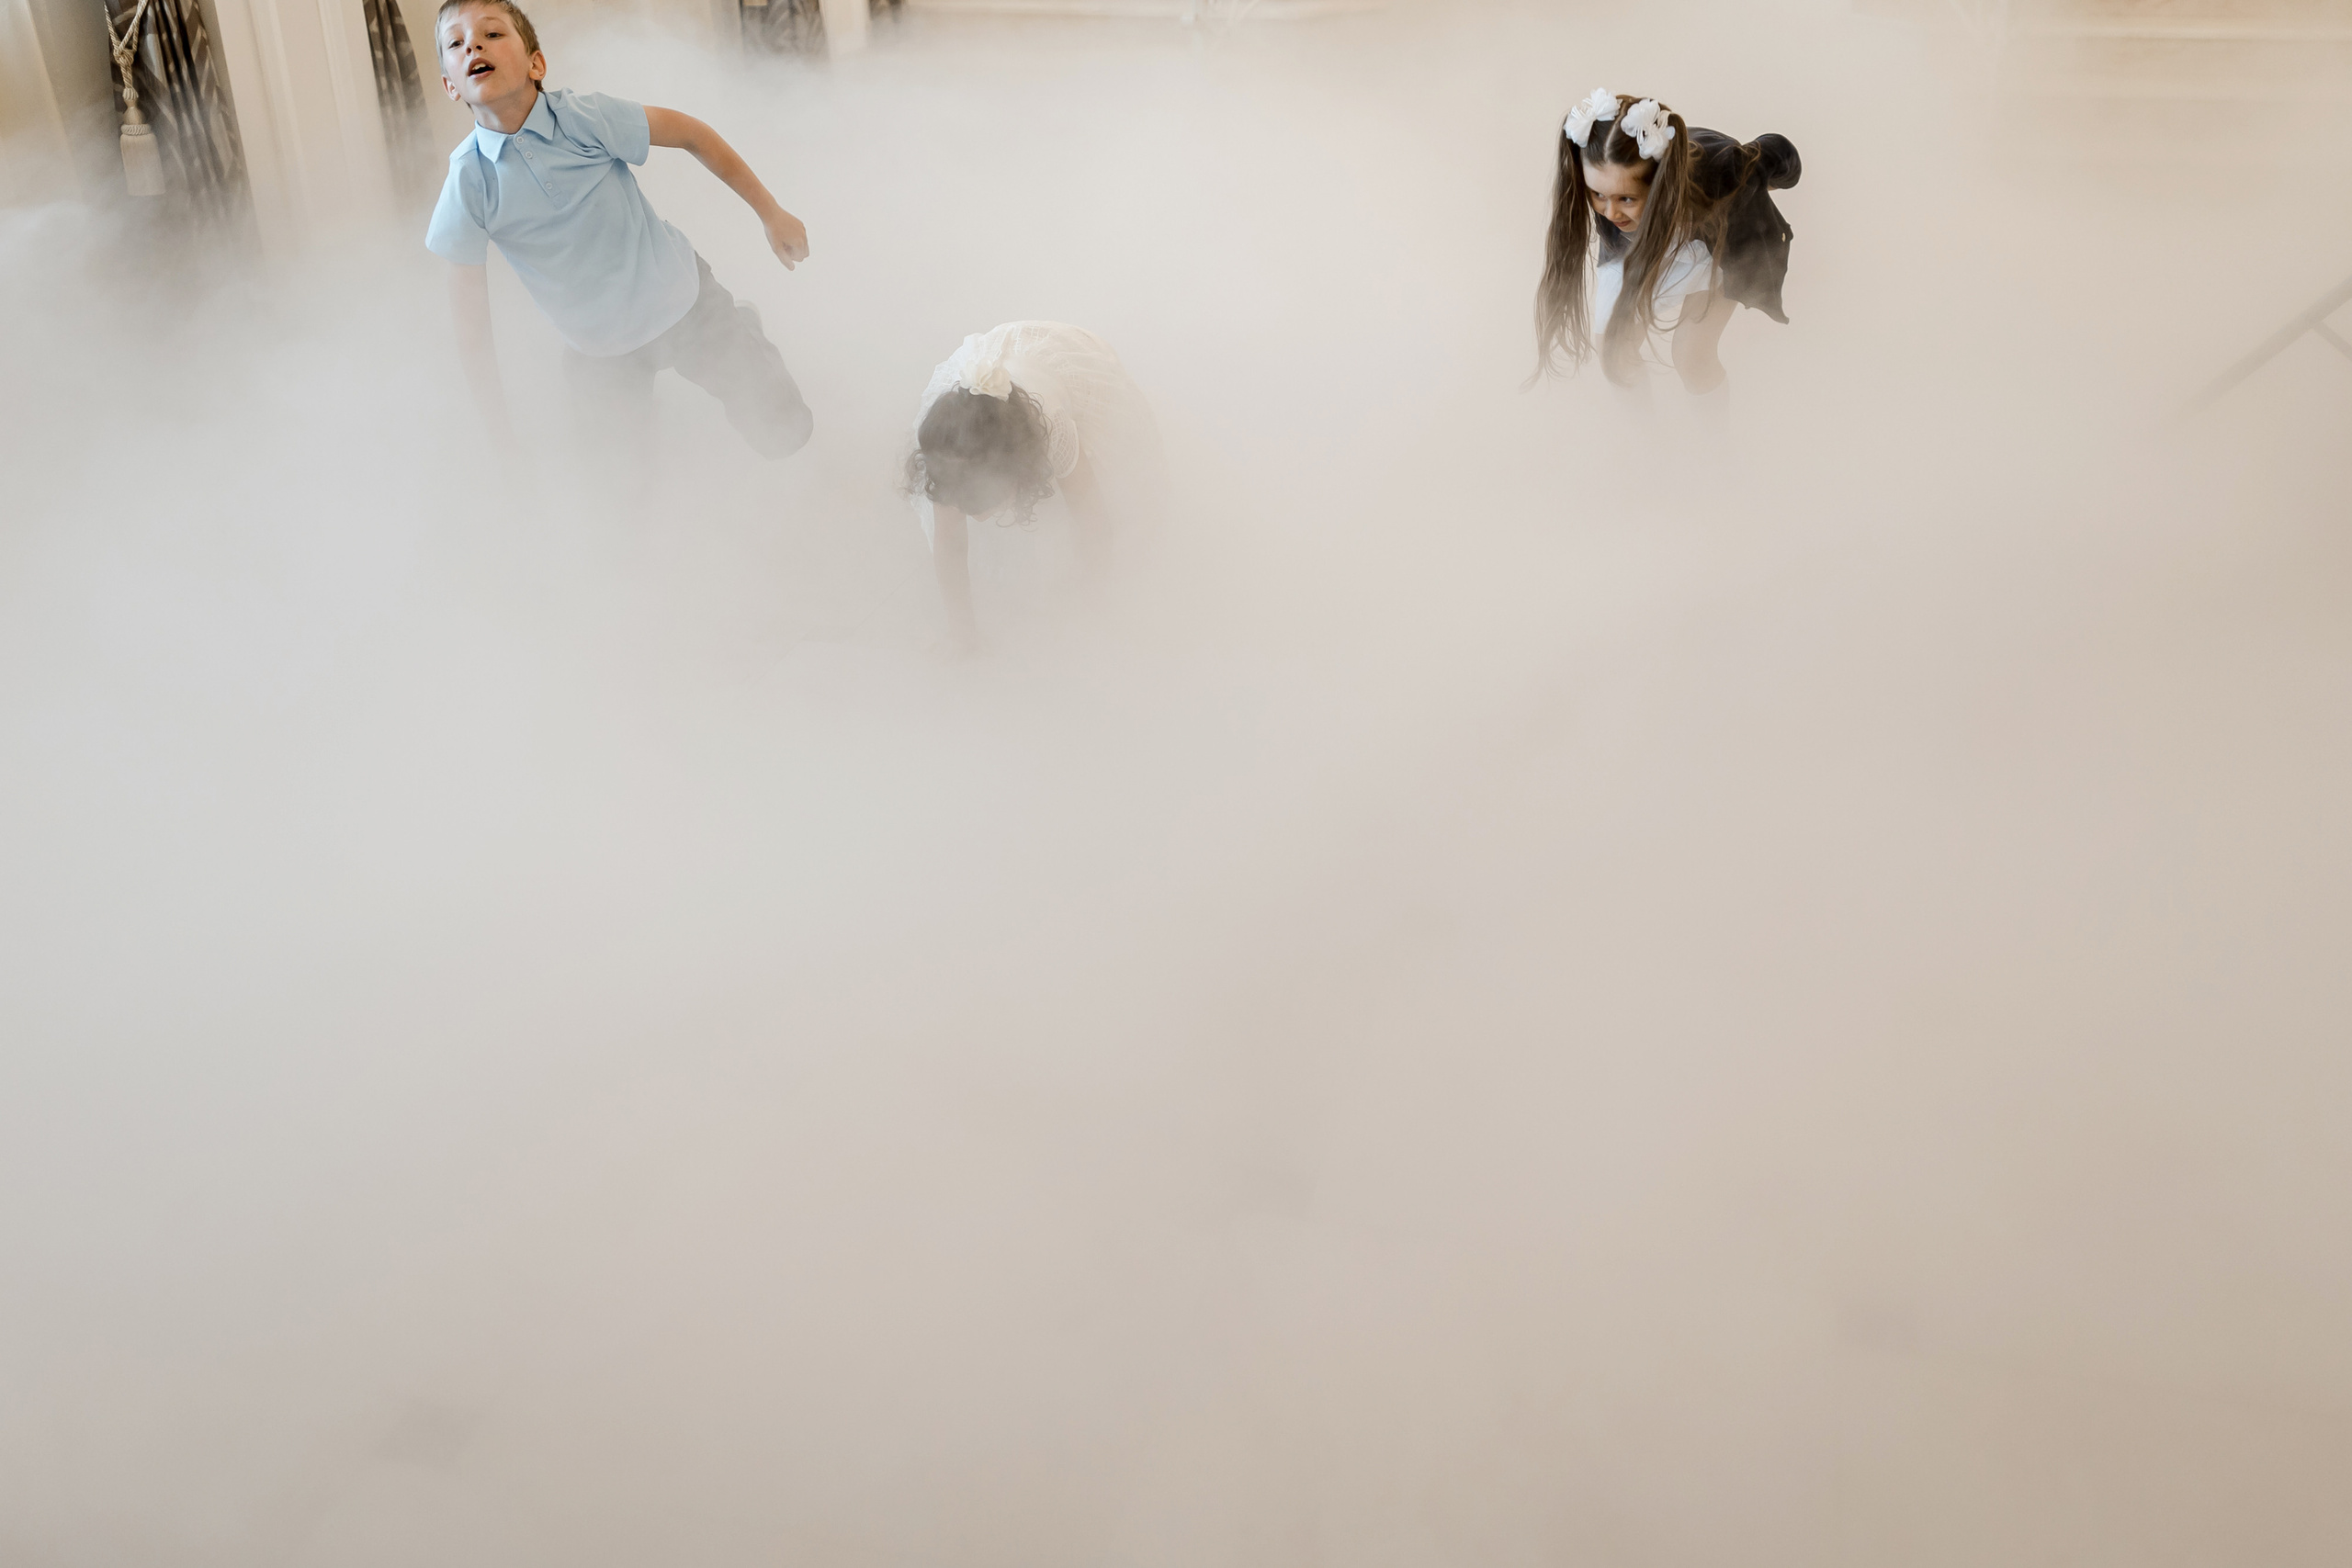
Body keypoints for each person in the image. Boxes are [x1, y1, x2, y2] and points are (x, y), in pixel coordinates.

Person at [424, 0, 814, 462]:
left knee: (788, 432)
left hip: (682, 301)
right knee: (619, 504)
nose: (473, 44)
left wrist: (770, 212)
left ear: (537, 63)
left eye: (491, 34)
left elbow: (692, 135)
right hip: (599, 350)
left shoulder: (582, 118)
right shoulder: (468, 182)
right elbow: (471, 326)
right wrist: (500, 435)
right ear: (451, 85)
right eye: (456, 42)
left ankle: (744, 328)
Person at [905, 322, 1159, 653]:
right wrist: (962, 633)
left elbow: (1094, 523)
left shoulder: (1054, 429)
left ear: (1020, 473)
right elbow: (950, 545)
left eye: (986, 502)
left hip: (1057, 363)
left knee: (1105, 499)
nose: (979, 518)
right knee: (962, 529)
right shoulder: (948, 445)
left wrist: (1091, 608)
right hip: (977, 401)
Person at [1534, 87, 1802, 402]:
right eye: (1598, 195)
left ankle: (1714, 440)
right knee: (1613, 351)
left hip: (1710, 247)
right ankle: (1645, 439)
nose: (1610, 212)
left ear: (1664, 183)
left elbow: (1777, 151)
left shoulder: (1721, 170)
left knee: (1691, 356)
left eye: (1626, 198)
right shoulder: (1612, 204)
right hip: (1637, 248)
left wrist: (1771, 179)